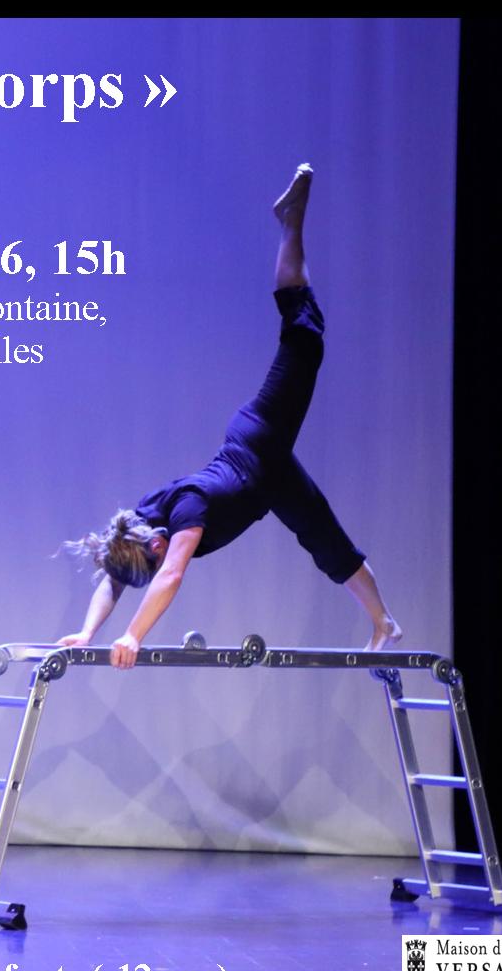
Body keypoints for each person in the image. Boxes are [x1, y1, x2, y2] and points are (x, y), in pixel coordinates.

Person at [58, 164, 401, 668]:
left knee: (306, 335)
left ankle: (291, 222)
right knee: (326, 542)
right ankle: (383, 622)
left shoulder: (185, 513)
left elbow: (172, 574)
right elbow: (113, 579)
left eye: (154, 561)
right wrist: (88, 633)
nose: (156, 566)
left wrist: (132, 635)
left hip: (259, 441)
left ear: (158, 543)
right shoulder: (139, 524)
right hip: (269, 479)